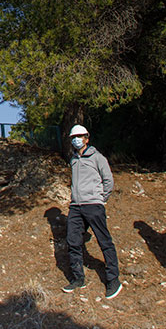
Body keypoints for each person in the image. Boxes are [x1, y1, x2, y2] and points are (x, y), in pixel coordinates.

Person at [62, 124, 122, 299]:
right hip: (75, 207)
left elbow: (108, 181)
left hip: (93, 205)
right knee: (73, 241)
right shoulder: (73, 160)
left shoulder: (98, 158)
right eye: (74, 137)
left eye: (80, 136)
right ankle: (78, 278)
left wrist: (100, 199)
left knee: (104, 241)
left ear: (87, 138)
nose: (76, 139)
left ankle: (113, 280)